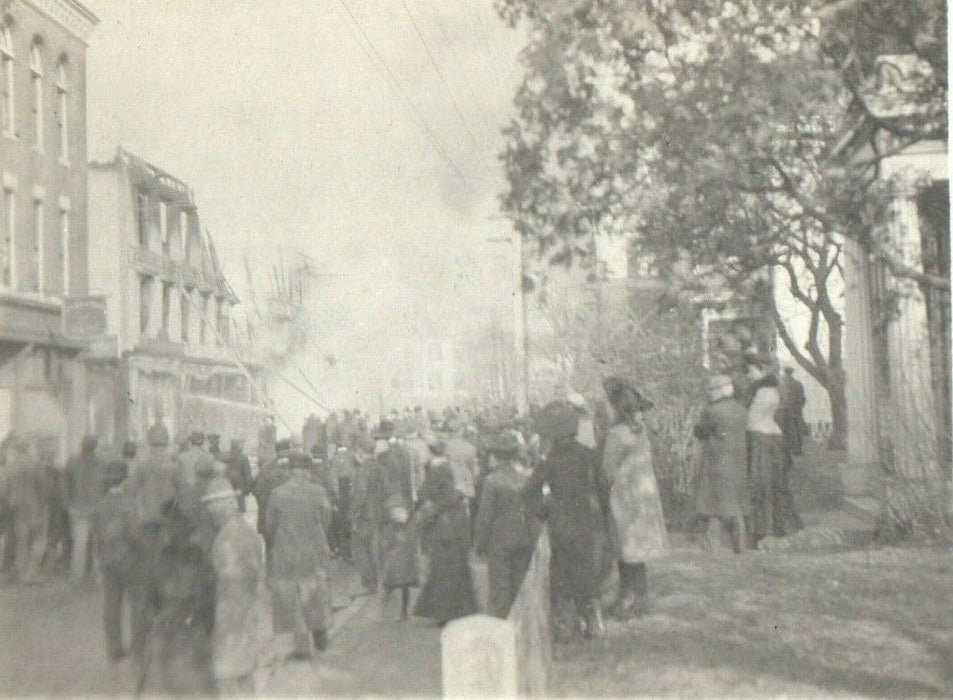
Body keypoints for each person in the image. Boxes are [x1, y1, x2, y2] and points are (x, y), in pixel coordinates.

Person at [523, 401, 606, 638]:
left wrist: (542, 511)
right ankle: (593, 621)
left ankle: (564, 625)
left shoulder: (550, 460)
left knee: (560, 571)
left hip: (560, 521)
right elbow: (602, 486)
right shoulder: (589, 455)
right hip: (586, 520)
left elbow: (529, 493)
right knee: (586, 568)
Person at [601, 377, 667, 618]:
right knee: (636, 550)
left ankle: (629, 598)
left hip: (624, 497)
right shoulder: (638, 431)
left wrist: (601, 491)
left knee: (625, 546)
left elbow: (607, 471)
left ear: (616, 407)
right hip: (642, 494)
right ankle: (638, 597)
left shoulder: (616, 435)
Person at [137, 503, 217, 696]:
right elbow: (210, 596)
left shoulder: (160, 558)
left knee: (173, 681)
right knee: (202, 679)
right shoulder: (200, 557)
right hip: (194, 624)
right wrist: (207, 625)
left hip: (169, 626)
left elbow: (149, 598)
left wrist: (154, 620)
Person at [265, 455, 333, 659]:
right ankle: (320, 630)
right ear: (307, 471)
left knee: (292, 597)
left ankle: (302, 647)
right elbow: (326, 519)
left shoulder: (277, 493)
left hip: (287, 549)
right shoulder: (318, 491)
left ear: (290, 471)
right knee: (315, 590)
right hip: (314, 548)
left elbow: (270, 524)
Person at [205, 476, 267, 695]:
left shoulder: (225, 539)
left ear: (220, 508)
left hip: (229, 616)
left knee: (227, 677)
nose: (210, 515)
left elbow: (222, 580)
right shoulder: (247, 531)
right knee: (245, 675)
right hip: (248, 612)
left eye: (211, 510)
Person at [474, 430, 538, 618]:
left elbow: (485, 516)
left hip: (500, 541)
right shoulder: (527, 477)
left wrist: (479, 543)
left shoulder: (492, 481)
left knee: (500, 588)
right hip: (525, 537)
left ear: (498, 455)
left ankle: (502, 627)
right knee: (521, 586)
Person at [745, 353, 803, 544]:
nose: (749, 374)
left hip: (762, 441)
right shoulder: (774, 389)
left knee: (763, 485)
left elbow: (751, 421)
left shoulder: (763, 392)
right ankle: (778, 526)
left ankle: (765, 528)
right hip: (773, 440)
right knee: (774, 484)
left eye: (751, 371)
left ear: (762, 370)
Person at [413, 462, 477, 625]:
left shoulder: (436, 496)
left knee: (440, 577)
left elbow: (425, 518)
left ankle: (443, 613)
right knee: (459, 576)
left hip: (442, 540)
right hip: (457, 540)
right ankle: (462, 610)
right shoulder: (457, 495)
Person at [693, 374, 750, 553]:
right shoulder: (741, 409)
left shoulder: (711, 411)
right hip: (738, 461)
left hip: (716, 461)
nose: (709, 394)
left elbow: (700, 432)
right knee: (735, 504)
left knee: (712, 502)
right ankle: (739, 544)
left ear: (720, 390)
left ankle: (712, 544)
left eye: (711, 390)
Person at [92, 459, 137, 661]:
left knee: (111, 606)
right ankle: (138, 645)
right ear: (124, 480)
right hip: (127, 559)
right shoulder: (128, 502)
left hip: (107, 559)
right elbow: (134, 533)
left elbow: (97, 536)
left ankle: (114, 649)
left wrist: (98, 561)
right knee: (135, 602)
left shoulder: (101, 504)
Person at [373, 425, 419, 620]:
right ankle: (401, 606)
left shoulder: (382, 460)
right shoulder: (405, 453)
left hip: (392, 509)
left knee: (390, 556)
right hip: (403, 507)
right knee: (403, 558)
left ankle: (389, 601)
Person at [6, 437, 48, 584]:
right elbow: (42, 487)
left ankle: (20, 572)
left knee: (21, 541)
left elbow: (7, 488)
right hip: (34, 505)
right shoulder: (36, 464)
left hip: (16, 506)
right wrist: (43, 504)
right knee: (39, 540)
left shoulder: (11, 466)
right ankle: (30, 574)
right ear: (28, 447)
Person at [65, 435, 106, 580]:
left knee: (79, 544)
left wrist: (68, 504)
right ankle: (98, 574)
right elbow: (106, 485)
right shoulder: (101, 463)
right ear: (95, 447)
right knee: (98, 543)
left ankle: (77, 575)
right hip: (97, 506)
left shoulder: (72, 462)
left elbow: (65, 485)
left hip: (77, 507)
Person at [131, 423, 177, 525]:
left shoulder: (141, 466)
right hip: (168, 518)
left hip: (147, 518)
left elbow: (133, 490)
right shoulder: (174, 466)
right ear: (167, 441)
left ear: (149, 441)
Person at [350, 440, 379, 594]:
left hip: (366, 514)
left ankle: (370, 582)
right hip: (379, 512)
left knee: (362, 549)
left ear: (361, 452)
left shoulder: (363, 470)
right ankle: (378, 580)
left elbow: (360, 494)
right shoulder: (381, 466)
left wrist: (354, 513)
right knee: (375, 547)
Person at [779, 366, 807, 456]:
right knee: (797, 429)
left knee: (786, 430)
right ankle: (797, 450)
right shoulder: (798, 384)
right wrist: (799, 407)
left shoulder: (782, 384)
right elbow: (803, 398)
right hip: (796, 410)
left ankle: (787, 450)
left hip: (785, 410)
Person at [225, 439, 254, 513]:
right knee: (240, 511)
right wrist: (248, 489)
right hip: (239, 488)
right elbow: (248, 475)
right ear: (237, 446)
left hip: (227, 488)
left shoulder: (226, 456)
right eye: (241, 444)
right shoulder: (243, 458)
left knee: (228, 510)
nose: (243, 446)